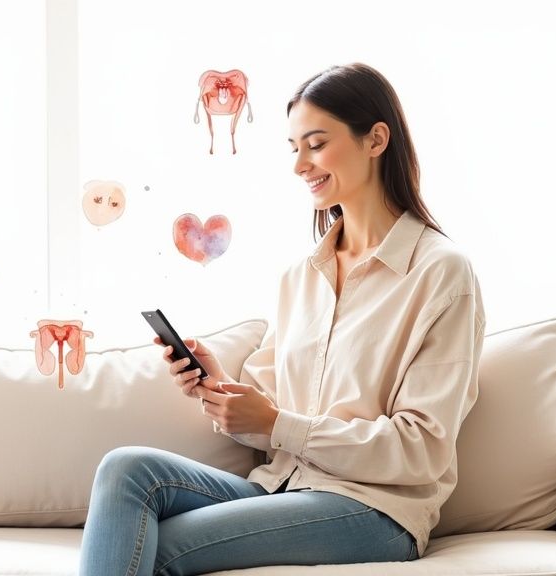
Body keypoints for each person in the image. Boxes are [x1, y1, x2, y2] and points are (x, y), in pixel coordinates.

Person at [78, 62, 486, 575]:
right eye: (295, 148)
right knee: (125, 470)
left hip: (373, 508)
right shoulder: (301, 275)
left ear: (376, 139)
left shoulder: (440, 272)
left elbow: (420, 449)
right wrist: (220, 388)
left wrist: (278, 424)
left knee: (148, 549)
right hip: (281, 485)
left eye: (316, 144)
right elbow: (269, 423)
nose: (300, 165)